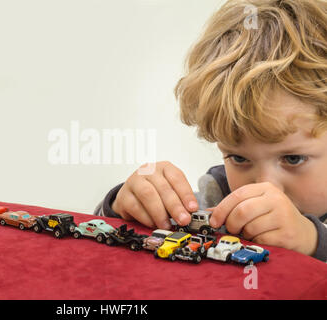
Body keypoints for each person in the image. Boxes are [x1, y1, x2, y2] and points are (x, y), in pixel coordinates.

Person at [94, 0, 327, 262]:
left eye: (293, 159)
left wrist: (313, 241)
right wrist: (125, 209)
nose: (265, 185)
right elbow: (103, 247)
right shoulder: (215, 199)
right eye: (239, 158)